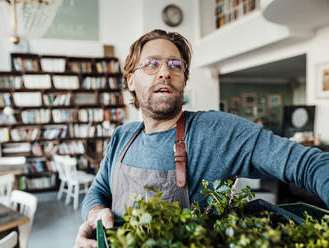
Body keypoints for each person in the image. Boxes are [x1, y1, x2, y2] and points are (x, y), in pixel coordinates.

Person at [74, 29, 329, 248]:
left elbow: (308, 164)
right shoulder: (122, 136)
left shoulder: (215, 131)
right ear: (130, 80)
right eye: (152, 64)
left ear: (184, 80)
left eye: (175, 65)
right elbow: (99, 190)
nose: (165, 72)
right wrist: (95, 214)